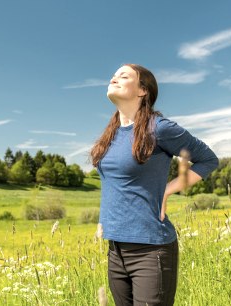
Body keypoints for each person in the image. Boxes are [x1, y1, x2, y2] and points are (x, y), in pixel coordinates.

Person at [91, 64, 218, 305]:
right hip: (116, 251)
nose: (114, 78)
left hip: (151, 251)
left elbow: (208, 159)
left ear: (142, 91)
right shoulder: (111, 134)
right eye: (113, 75)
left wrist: (168, 190)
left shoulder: (159, 128)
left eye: (123, 76)